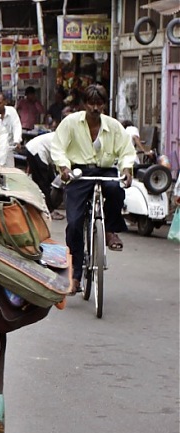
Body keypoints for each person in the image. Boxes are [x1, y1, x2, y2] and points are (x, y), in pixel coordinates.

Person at [51, 84, 136, 295]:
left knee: (115, 189)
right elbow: (58, 147)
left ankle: (110, 230)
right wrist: (63, 167)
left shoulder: (114, 126)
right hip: (79, 173)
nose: (95, 108)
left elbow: (126, 150)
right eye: (91, 103)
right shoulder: (70, 123)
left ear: (104, 105)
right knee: (74, 224)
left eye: (99, 104)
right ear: (84, 104)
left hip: (105, 170)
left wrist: (127, 169)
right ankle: (76, 275)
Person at [0, 91, 22, 167]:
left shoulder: (11, 111)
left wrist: (17, 140)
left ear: (5, 102)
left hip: (9, 149)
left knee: (9, 172)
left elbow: (16, 126)